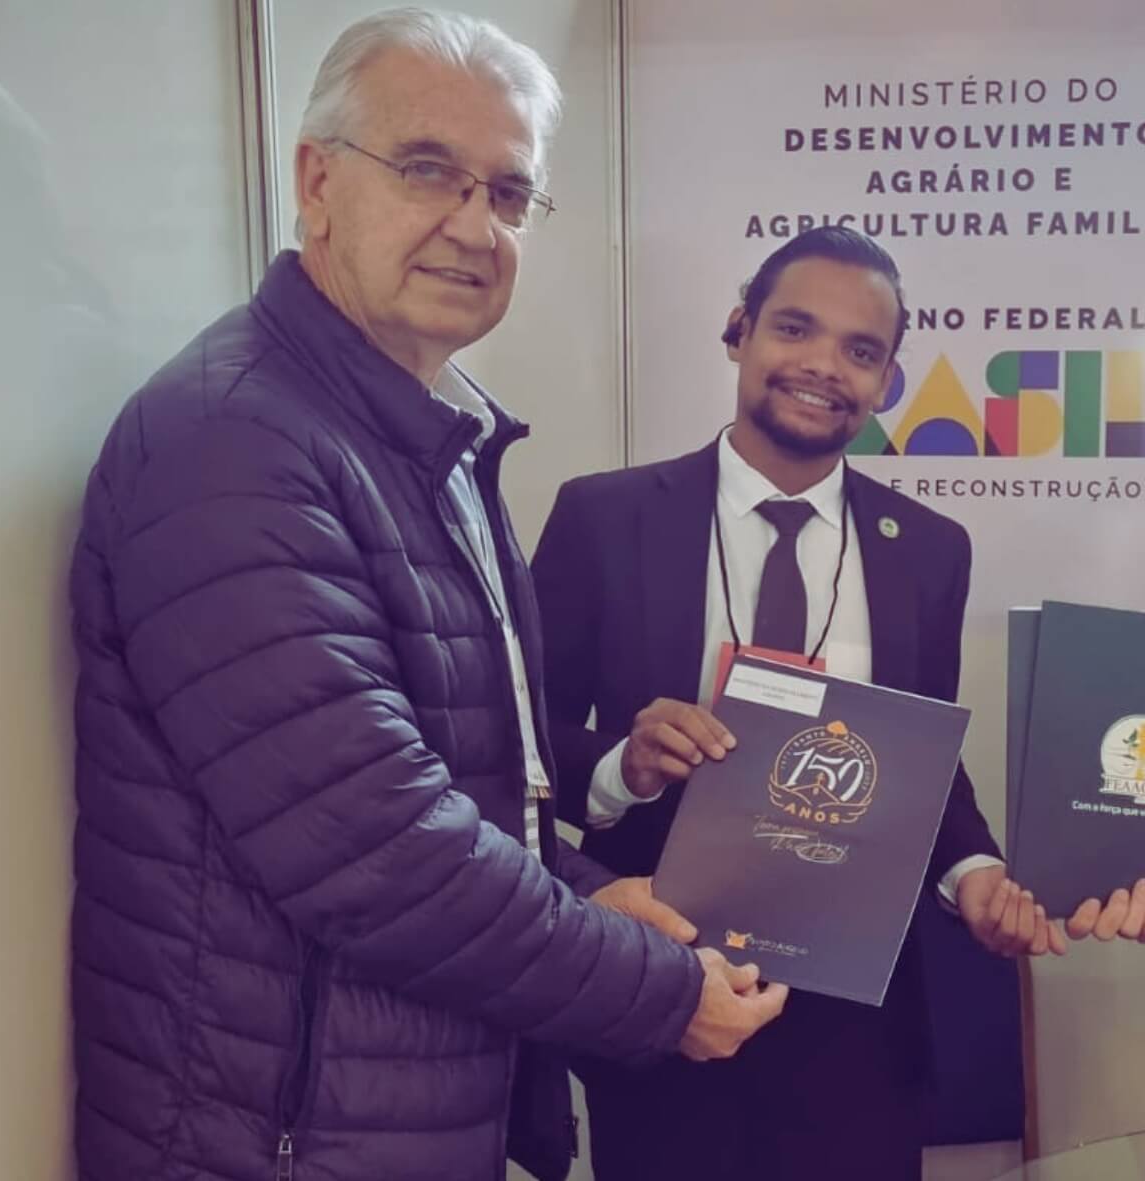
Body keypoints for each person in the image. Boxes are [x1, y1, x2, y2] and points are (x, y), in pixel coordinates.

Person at [67, 11, 783, 1181]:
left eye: (508, 192)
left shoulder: (418, 436)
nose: (472, 225)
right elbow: (376, 845)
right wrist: (655, 989)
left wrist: (596, 894)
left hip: (381, 1112)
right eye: (425, 170)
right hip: (271, 1139)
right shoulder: (232, 445)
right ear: (316, 183)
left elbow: (473, 792)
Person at [532, 225, 1145, 1179]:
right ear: (740, 329)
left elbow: (923, 766)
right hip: (669, 990)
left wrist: (975, 874)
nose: (824, 366)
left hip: (857, 1029)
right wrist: (625, 764)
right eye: (795, 328)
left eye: (861, 351)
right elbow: (519, 746)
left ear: (887, 381)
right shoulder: (604, 517)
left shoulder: (929, 548)